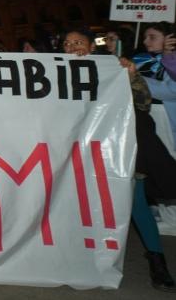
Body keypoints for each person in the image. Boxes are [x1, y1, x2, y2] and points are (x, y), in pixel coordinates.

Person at [63, 28, 176, 291]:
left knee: (135, 201)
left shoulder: (114, 67)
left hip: (118, 146)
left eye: (78, 42)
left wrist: (132, 77)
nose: (71, 47)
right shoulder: (57, 74)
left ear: (91, 47)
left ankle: (157, 262)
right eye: (67, 44)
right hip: (82, 151)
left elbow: (143, 103)